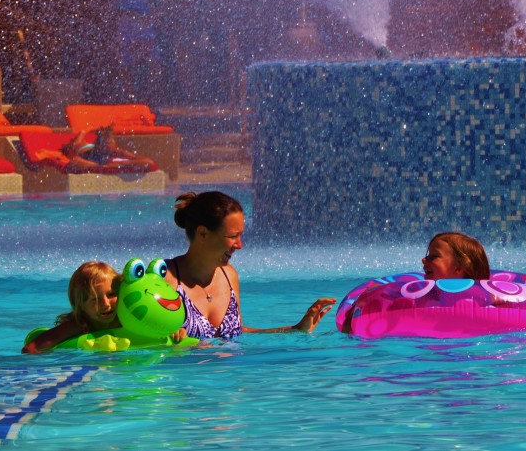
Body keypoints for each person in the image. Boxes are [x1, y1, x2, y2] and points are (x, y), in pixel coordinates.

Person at [164, 191, 337, 339]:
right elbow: (138, 341)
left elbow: (241, 332)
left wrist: (296, 329)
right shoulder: (166, 278)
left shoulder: (229, 276)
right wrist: (168, 342)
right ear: (202, 234)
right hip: (187, 375)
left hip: (232, 377)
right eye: (232, 236)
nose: (240, 245)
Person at [423, 231, 526, 324]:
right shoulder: (423, 297)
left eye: (433, 257)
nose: (424, 260)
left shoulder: (489, 298)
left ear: (459, 268)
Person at [22, 261, 122, 354]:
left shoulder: (124, 317)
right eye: (95, 299)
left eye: (111, 294)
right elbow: (30, 348)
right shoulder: (81, 325)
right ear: (80, 304)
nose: (106, 304)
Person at [61, 125, 157, 174]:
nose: (111, 148)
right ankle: (82, 132)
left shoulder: (115, 150)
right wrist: (101, 166)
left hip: (92, 146)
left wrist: (121, 164)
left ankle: (83, 132)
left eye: (112, 145)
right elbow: (75, 161)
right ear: (99, 147)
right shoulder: (92, 153)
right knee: (77, 144)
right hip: (84, 149)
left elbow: (148, 162)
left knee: (79, 144)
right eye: (107, 146)